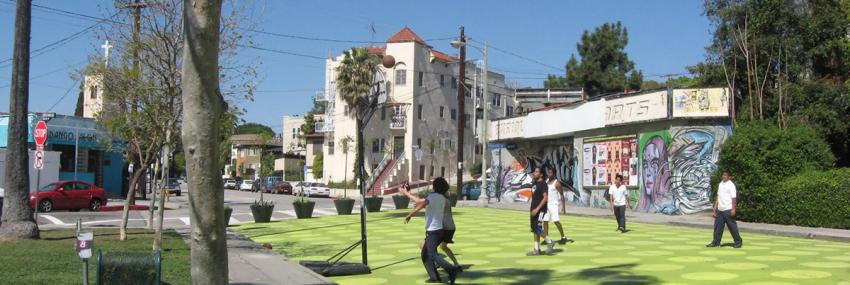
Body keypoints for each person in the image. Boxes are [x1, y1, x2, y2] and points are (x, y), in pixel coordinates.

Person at [403, 178, 459, 284]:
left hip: (433, 231)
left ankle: (451, 269)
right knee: (425, 254)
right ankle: (434, 277)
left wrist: (409, 214)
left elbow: (421, 204)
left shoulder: (432, 197)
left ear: (435, 187)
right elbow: (427, 206)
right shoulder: (442, 198)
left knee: (432, 254)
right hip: (439, 230)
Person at [707, 170, 743, 248]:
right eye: (723, 175)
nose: (724, 176)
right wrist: (715, 207)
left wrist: (733, 209)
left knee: (732, 227)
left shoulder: (731, 185)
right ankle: (716, 242)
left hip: (728, 209)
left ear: (729, 177)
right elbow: (718, 196)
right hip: (720, 209)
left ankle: (738, 242)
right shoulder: (720, 184)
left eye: (725, 175)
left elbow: (734, 198)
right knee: (717, 227)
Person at [528, 166, 555, 256]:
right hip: (533, 209)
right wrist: (533, 208)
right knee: (534, 229)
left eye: (536, 172)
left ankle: (549, 242)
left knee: (538, 228)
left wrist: (537, 209)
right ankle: (537, 249)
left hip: (540, 210)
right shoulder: (534, 183)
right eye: (534, 171)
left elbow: (545, 198)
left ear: (541, 174)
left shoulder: (543, 184)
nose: (534, 173)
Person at [543, 167, 571, 244]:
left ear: (554, 174)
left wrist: (563, 207)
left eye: (550, 173)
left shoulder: (557, 183)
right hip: (546, 204)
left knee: (556, 221)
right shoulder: (546, 181)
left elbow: (562, 195)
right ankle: (547, 239)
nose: (549, 174)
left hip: (554, 205)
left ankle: (563, 237)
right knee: (545, 221)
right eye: (548, 172)